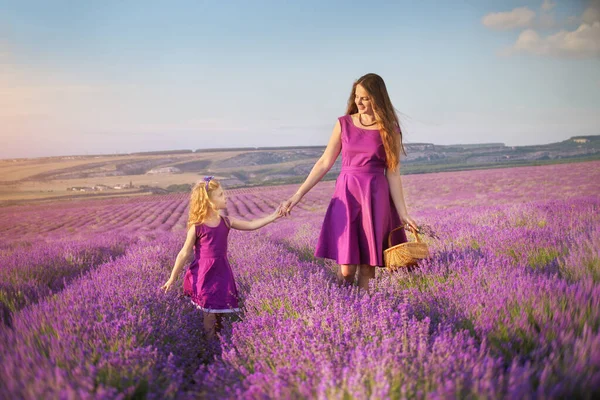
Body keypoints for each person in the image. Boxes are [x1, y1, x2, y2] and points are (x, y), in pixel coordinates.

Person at [280, 73, 418, 291]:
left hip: (375, 196)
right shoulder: (343, 124)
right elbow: (324, 162)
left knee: (367, 267)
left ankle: (363, 313)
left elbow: (393, 173)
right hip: (347, 194)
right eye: (356, 97)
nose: (359, 102)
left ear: (378, 98)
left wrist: (403, 213)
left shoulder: (390, 130)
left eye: (365, 98)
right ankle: (342, 305)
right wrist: (297, 195)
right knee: (346, 269)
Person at [162, 176, 282, 339]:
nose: (225, 197)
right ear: (208, 201)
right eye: (220, 195)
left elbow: (252, 225)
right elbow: (184, 253)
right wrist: (172, 278)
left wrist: (274, 216)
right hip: (204, 274)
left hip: (222, 273)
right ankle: (210, 346)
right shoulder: (197, 227)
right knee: (209, 314)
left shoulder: (226, 221)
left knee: (220, 313)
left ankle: (219, 344)